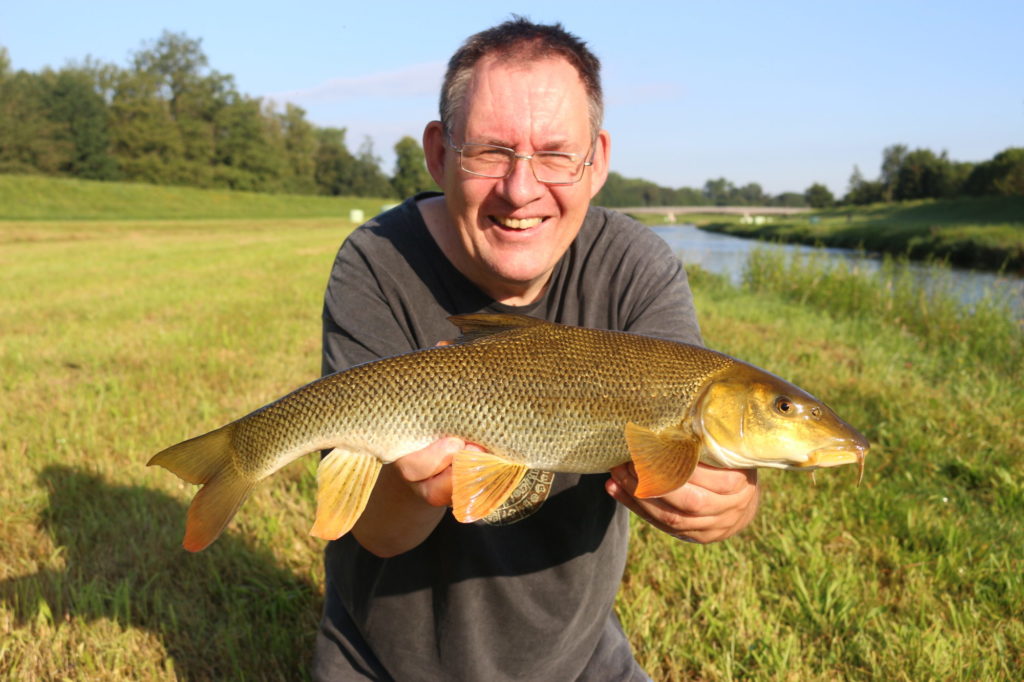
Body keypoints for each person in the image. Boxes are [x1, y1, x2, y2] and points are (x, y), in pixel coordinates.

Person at [313, 17, 759, 681]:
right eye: (491, 152)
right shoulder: (375, 262)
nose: (521, 191)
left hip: (577, 661)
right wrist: (423, 487)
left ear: (597, 161)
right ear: (439, 154)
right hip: (385, 662)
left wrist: (731, 499)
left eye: (555, 154)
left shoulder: (636, 266)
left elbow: (695, 449)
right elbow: (377, 533)